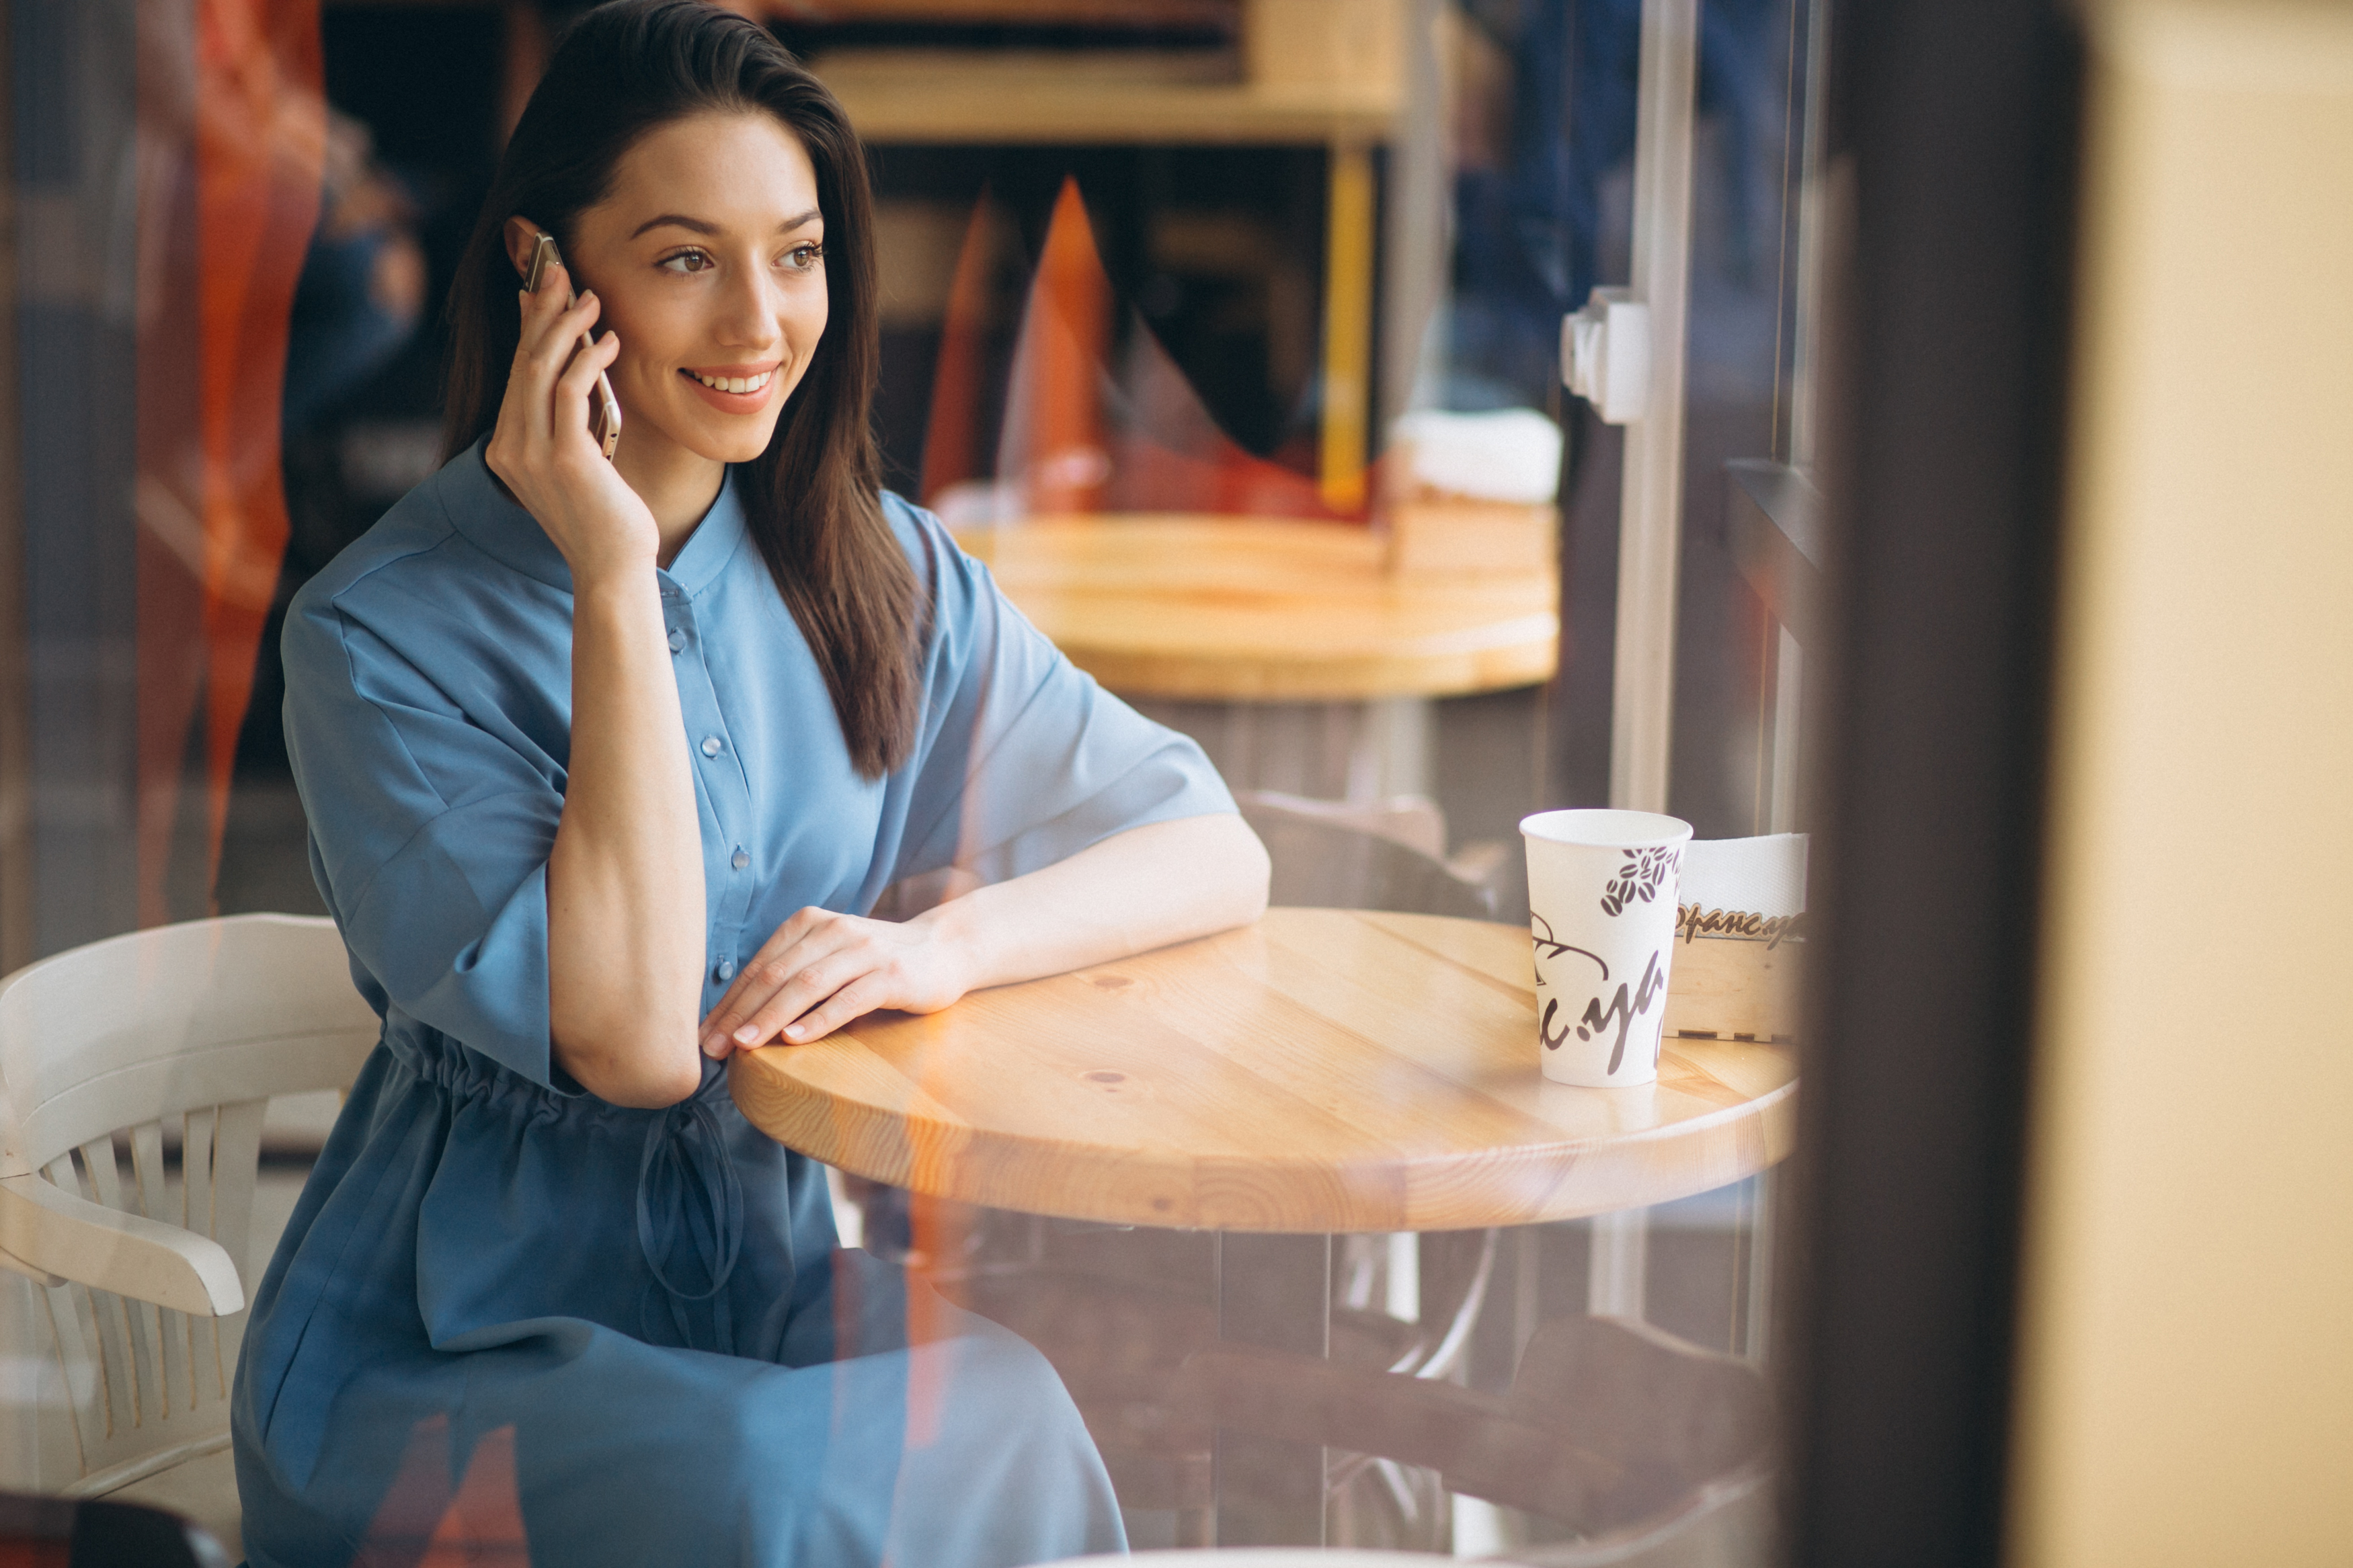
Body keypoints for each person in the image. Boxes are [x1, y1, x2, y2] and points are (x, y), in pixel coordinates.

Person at [229, 4, 1269, 1564]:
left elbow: (1209, 850)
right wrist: (608, 570)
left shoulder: (877, 569)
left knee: (1016, 1414)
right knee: (767, 1493)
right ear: (544, 277)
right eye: (682, 259)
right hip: (456, 1359)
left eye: (794, 254)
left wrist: (940, 945)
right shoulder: (374, 639)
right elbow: (642, 1044)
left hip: (766, 1293)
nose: (757, 323)